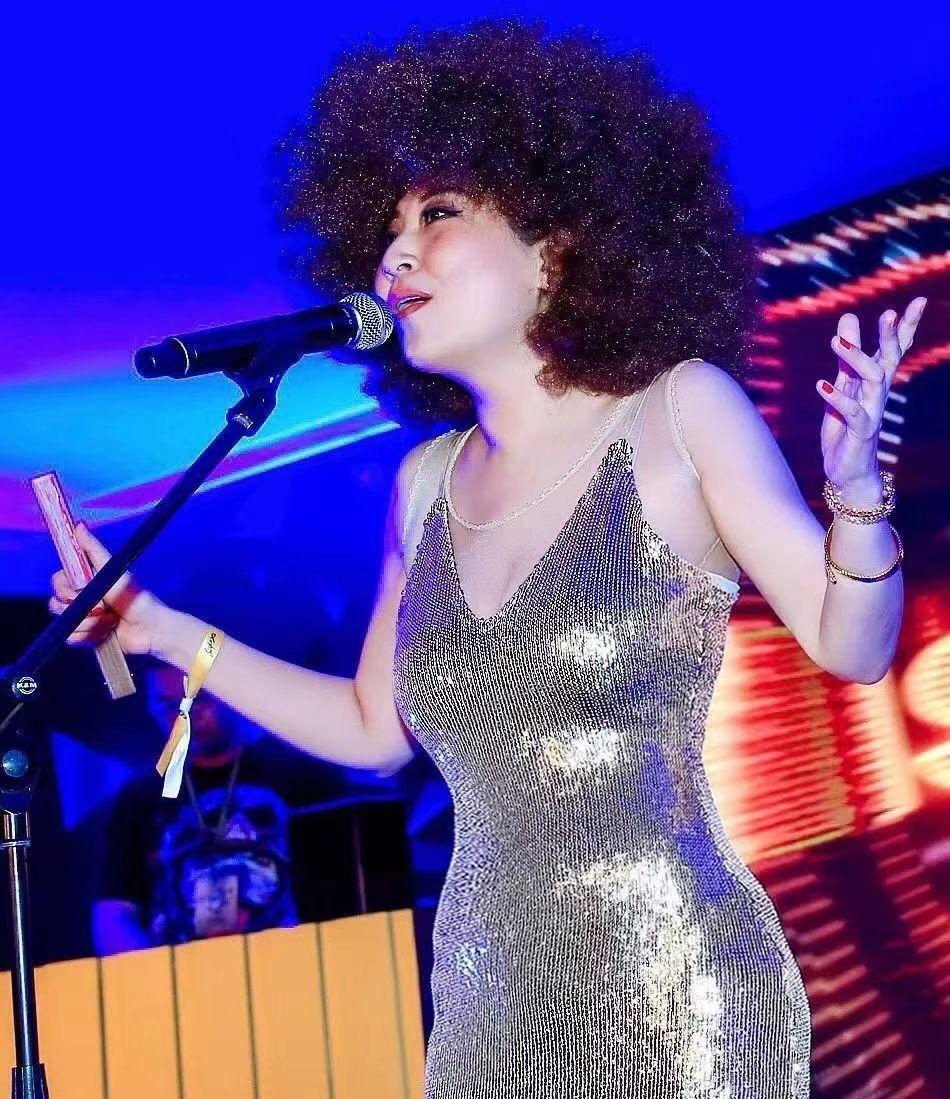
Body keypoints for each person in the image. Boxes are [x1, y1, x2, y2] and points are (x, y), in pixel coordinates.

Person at [50, 18, 925, 1095]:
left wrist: (855, 494)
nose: (393, 254)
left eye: (437, 214)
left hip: (675, 994)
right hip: (486, 1005)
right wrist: (155, 627)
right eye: (385, 229)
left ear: (555, 249)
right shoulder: (423, 486)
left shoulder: (677, 411)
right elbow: (371, 732)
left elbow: (851, 646)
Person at [92, 660, 351, 952]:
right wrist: (156, 970)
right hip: (183, 968)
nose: (185, 717)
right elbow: (113, 915)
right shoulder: (138, 798)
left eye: (197, 700)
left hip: (289, 958)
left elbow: (345, 889)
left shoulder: (300, 777)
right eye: (168, 706)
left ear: (229, 692)